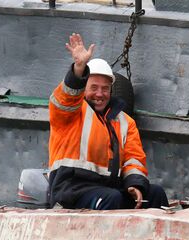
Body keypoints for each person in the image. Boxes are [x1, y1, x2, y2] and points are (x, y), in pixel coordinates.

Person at [48, 33, 168, 210]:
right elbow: (66, 98)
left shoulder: (125, 122)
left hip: (109, 187)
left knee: (155, 194)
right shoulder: (71, 112)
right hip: (71, 190)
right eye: (93, 87)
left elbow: (133, 159)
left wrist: (135, 185)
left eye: (105, 89)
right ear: (84, 87)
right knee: (110, 199)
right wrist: (79, 69)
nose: (99, 94)